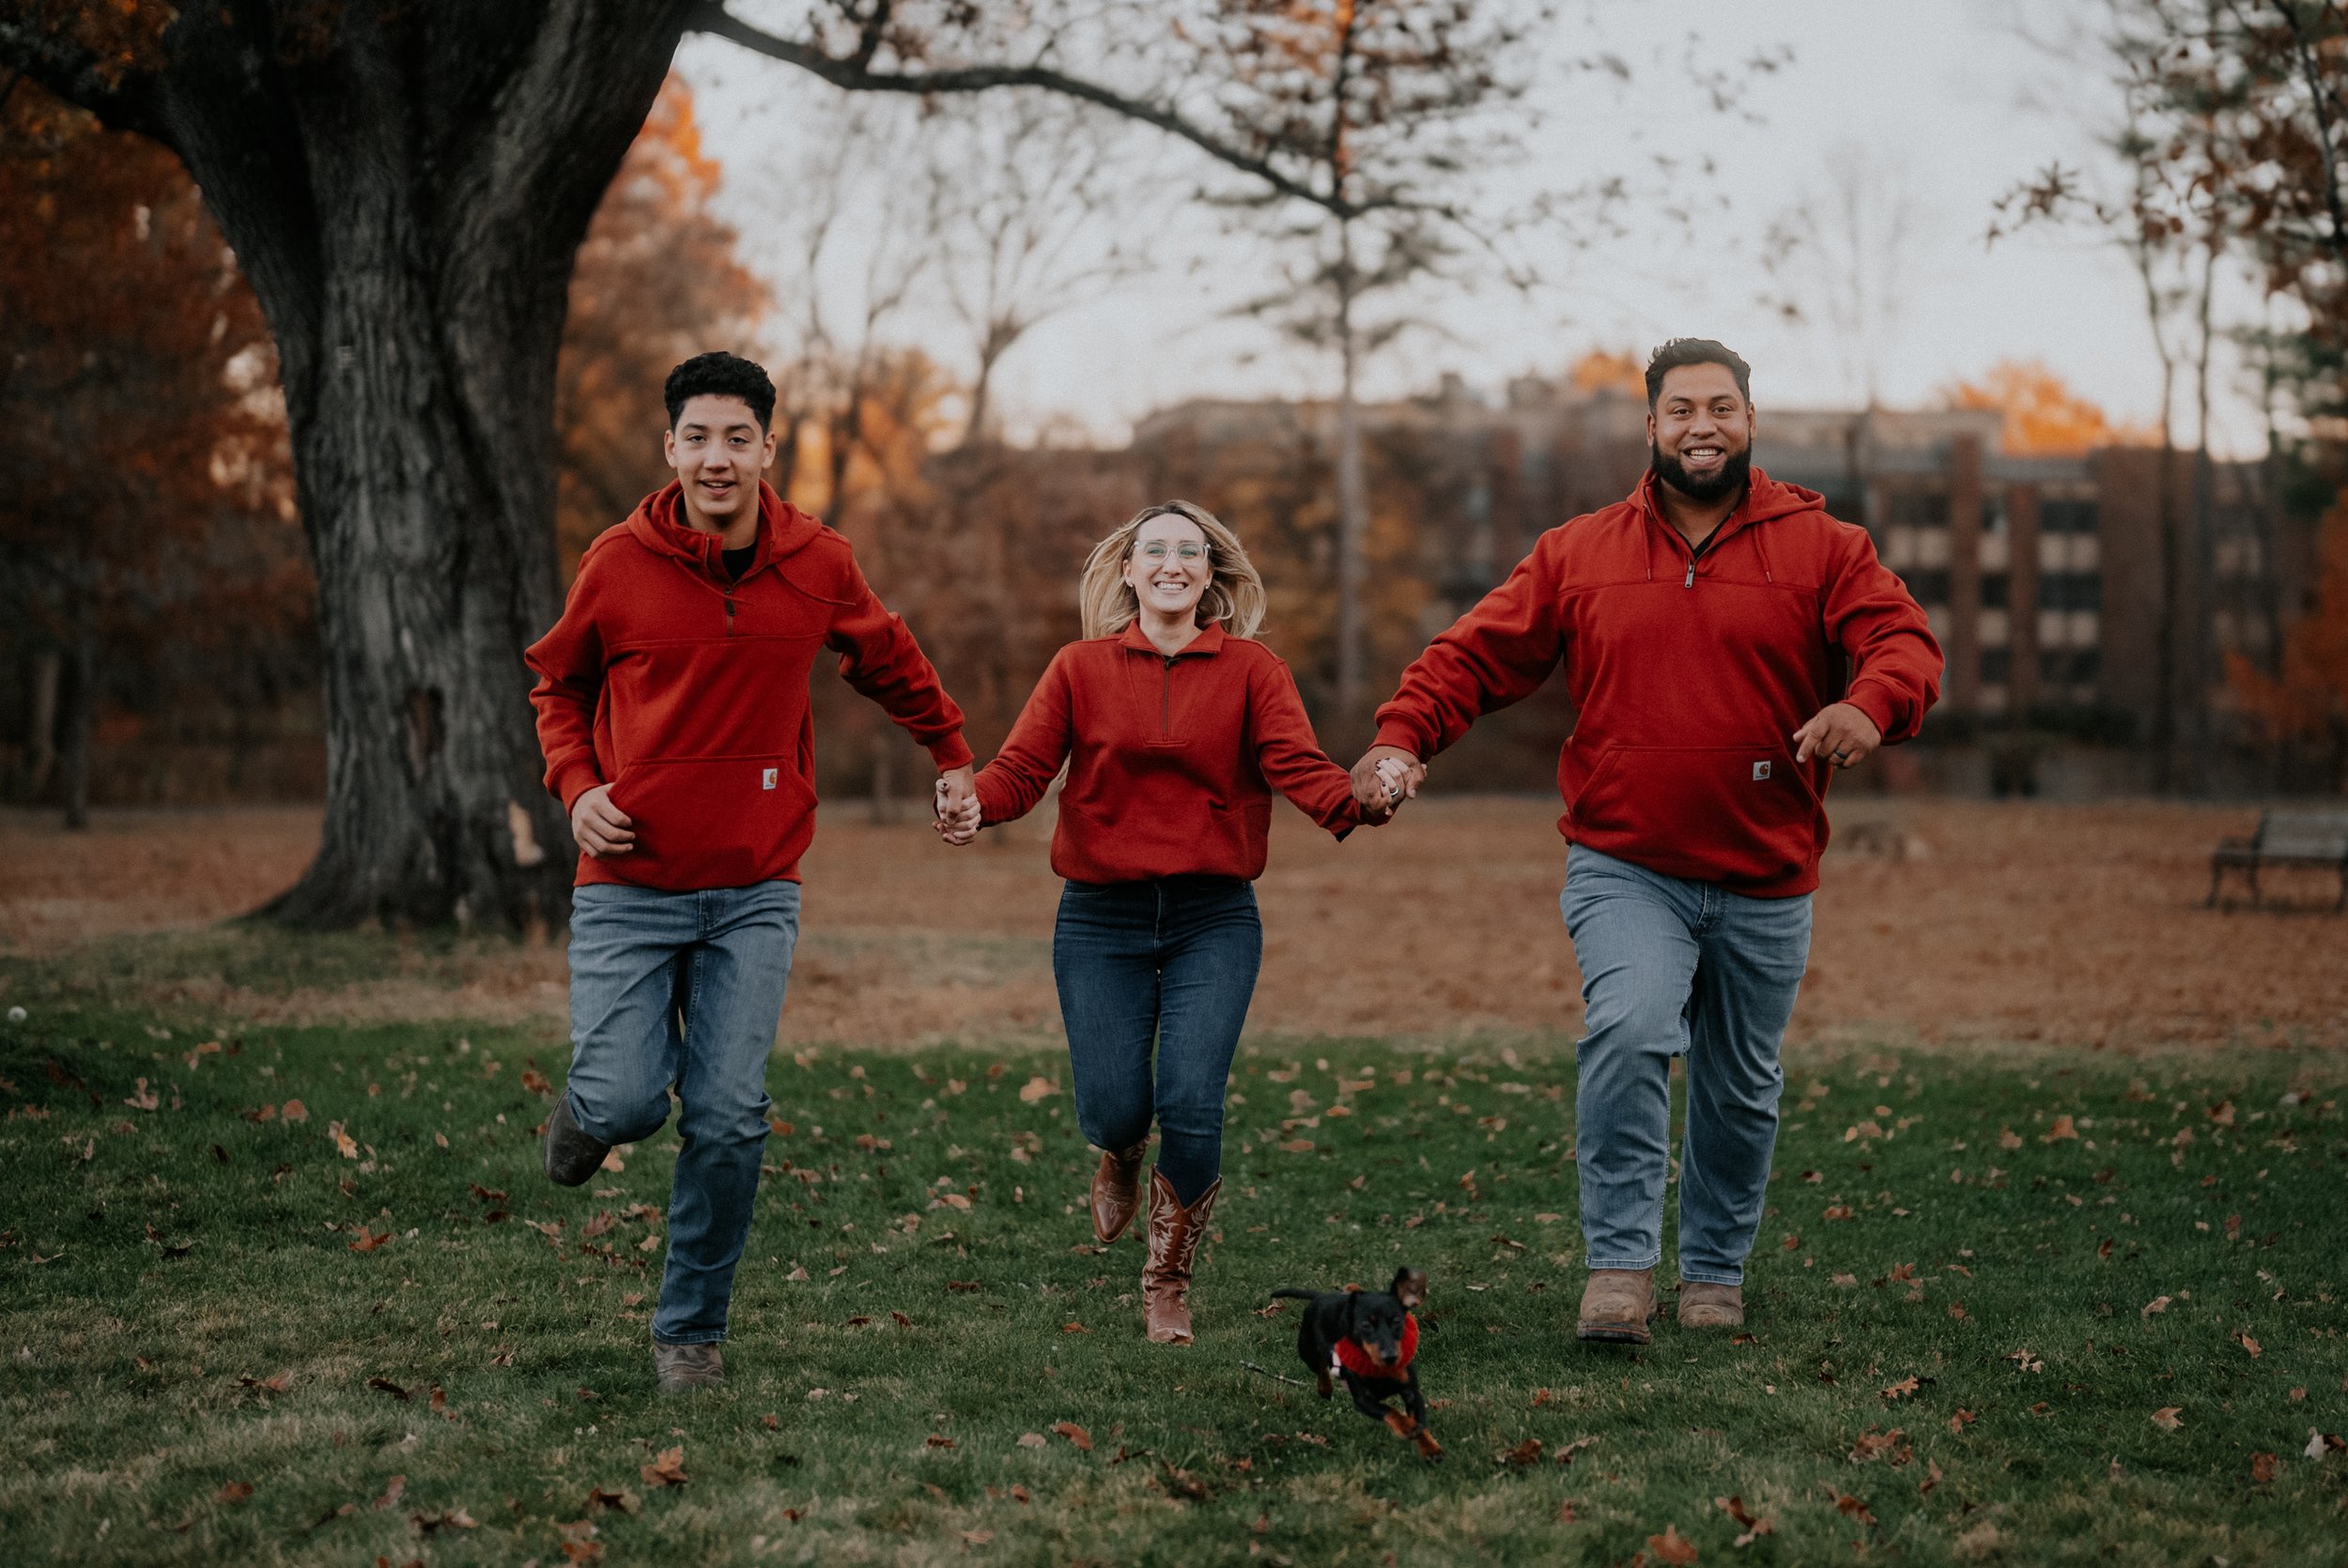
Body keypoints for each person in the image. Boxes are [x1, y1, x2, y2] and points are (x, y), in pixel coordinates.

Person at [1352, 339, 1942, 1345]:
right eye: (1680, 410)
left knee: (1738, 1082)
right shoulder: (1579, 552)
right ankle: (1619, 1270)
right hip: (1625, 861)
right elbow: (1473, 656)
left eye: (1719, 407)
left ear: (1750, 422)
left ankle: (1713, 1272)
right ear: (1650, 428)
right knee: (1628, 1029)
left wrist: (1868, 705)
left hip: (1765, 868)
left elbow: (1903, 643)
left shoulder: (1821, 547)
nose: (1700, 426)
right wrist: (1401, 739)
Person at [525, 351, 975, 1393]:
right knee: (632, 1100)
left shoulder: (816, 561)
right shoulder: (616, 562)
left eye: (738, 438)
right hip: (629, 883)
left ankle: (689, 1331)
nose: (716, 457)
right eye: (697, 437)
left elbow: (892, 659)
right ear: (670, 447)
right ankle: (591, 1106)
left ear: (770, 448)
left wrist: (950, 752)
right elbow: (558, 683)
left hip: (755, 888)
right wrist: (575, 782)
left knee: (728, 1116)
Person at [936, 500, 1392, 1345]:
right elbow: (1023, 769)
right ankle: (1119, 1152)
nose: (1173, 563)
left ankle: (1167, 1277)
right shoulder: (1079, 667)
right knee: (1116, 1107)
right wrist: (973, 804)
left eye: (1192, 551)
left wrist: (1361, 800)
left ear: (1211, 574)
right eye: (1157, 551)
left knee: (1192, 1097)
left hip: (1212, 917)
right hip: (1099, 918)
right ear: (1130, 571)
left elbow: (1298, 764)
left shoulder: (1254, 670)